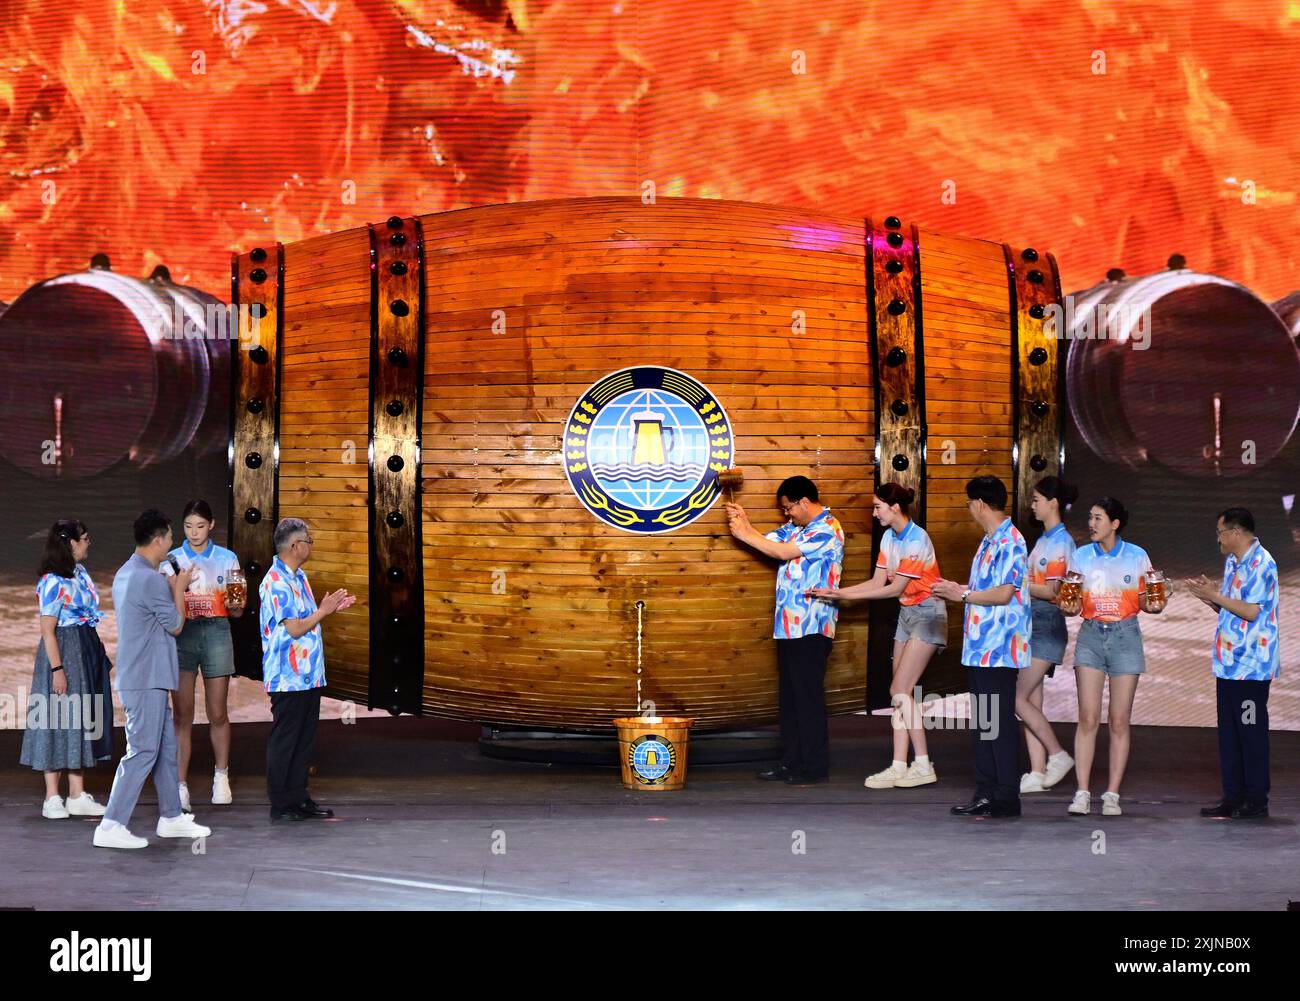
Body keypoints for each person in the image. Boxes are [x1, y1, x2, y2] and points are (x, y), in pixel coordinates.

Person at [806, 482, 944, 789]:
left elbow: (895, 589)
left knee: (899, 689)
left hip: (928, 614)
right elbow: (876, 580)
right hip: (908, 615)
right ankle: (898, 765)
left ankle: (923, 764)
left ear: (894, 508)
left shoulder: (916, 539)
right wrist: (837, 592)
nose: (874, 512)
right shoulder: (889, 537)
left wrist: (847, 597)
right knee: (901, 694)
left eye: (878, 507)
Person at [94, 510, 211, 849]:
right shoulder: (147, 578)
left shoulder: (128, 572)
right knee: (143, 750)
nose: (173, 543)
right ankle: (111, 824)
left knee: (165, 750)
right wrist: (179, 587)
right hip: (145, 677)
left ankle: (171, 817)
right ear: (158, 540)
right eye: (172, 537)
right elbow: (175, 624)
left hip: (149, 676)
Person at [725, 475, 845, 785]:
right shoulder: (797, 528)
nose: (786, 514)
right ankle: (791, 762)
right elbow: (766, 541)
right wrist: (742, 522)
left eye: (788, 507)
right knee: (790, 700)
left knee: (808, 698)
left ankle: (813, 767)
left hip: (812, 626)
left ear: (804, 502)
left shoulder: (826, 529)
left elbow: (781, 553)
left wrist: (744, 533)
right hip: (788, 627)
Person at [1056, 497, 1167, 817]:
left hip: (1125, 637)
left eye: (1098, 518)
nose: (1091, 524)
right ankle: (1081, 792)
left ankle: (1112, 794)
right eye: (1090, 518)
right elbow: (1073, 604)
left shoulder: (1136, 556)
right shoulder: (1081, 556)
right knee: (1088, 717)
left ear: (1115, 524)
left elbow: (1148, 601)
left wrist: (1157, 603)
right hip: (1091, 636)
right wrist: (1067, 607)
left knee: (1119, 720)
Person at [932, 475, 1031, 818]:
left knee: (998, 723)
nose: (969, 510)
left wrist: (961, 594)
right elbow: (982, 589)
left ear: (981, 504)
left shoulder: (1011, 542)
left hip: (1000, 648)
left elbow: (1004, 593)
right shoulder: (989, 541)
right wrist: (955, 588)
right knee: (985, 722)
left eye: (969, 503)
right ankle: (986, 790)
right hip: (980, 646)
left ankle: (1005, 796)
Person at [1183, 508, 1279, 820]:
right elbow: (1232, 611)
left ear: (1236, 532)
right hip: (1228, 664)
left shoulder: (1263, 564)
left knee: (1250, 733)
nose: (1218, 539)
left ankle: (1256, 801)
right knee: (1230, 735)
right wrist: (1208, 596)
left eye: (1221, 533)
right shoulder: (1234, 563)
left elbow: (1252, 612)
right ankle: (1233, 797)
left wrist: (1217, 595)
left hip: (1251, 667)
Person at [261, 517, 356, 821]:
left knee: (304, 740)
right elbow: (295, 628)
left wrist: (328, 610)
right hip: (287, 678)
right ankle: (281, 803)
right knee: (286, 739)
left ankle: (299, 797)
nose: (310, 545)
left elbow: (307, 618)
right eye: (308, 540)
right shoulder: (275, 582)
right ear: (294, 545)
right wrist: (323, 611)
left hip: (308, 675)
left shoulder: (298, 577)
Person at [20, 520, 113, 819]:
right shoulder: (51, 581)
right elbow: (48, 630)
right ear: (71, 543)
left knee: (81, 717)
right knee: (56, 717)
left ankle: (77, 793)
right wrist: (57, 668)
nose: (88, 543)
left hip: (84, 646)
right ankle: (52, 797)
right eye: (84, 539)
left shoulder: (81, 573)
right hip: (62, 648)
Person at [159, 499, 245, 811]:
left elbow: (237, 610)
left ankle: (221, 776)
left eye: (200, 526)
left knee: (218, 711)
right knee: (182, 714)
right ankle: (179, 784)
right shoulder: (171, 559)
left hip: (217, 631)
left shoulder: (227, 558)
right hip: (182, 633)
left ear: (211, 526)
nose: (194, 532)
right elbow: (163, 603)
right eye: (188, 526)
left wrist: (236, 600)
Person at [1018, 477, 1078, 794]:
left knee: (1018, 697)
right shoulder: (1044, 540)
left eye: (1037, 499)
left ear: (1053, 502)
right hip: (1033, 623)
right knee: (1031, 699)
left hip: (1046, 624)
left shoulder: (1061, 543)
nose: (1033, 504)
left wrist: (1016, 586)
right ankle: (1037, 771)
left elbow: (1054, 592)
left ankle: (1057, 755)